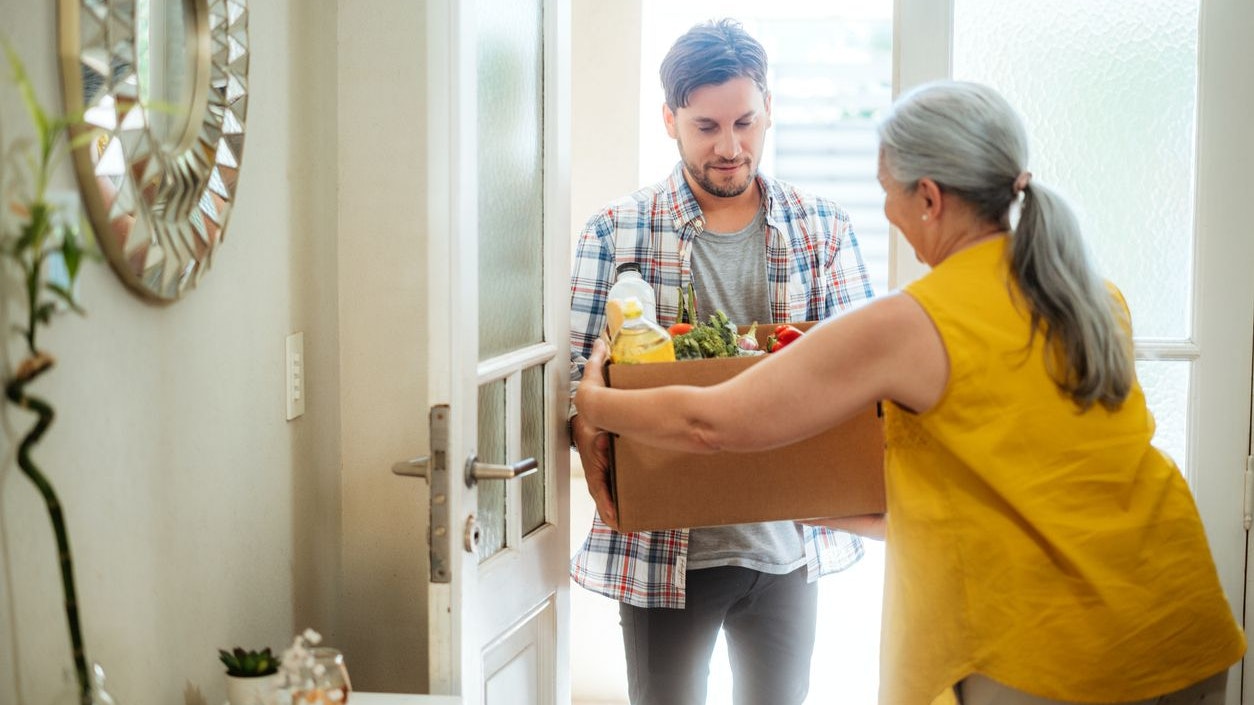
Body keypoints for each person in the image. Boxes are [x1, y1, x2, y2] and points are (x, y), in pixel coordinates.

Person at [574, 80, 1246, 705]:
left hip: (1049, 652)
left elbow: (710, 420)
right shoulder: (1095, 297)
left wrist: (595, 401)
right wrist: (813, 501)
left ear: (928, 196)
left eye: (889, 190)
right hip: (1181, 621)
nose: (887, 211)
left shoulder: (911, 323)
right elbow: (1002, 483)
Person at [567, 18, 875, 705]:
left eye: (746, 121)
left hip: (787, 547)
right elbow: (573, 391)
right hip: (662, 550)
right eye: (706, 126)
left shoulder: (823, 230)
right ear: (669, 119)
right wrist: (593, 460)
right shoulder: (615, 232)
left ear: (770, 111)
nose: (731, 147)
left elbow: (864, 384)